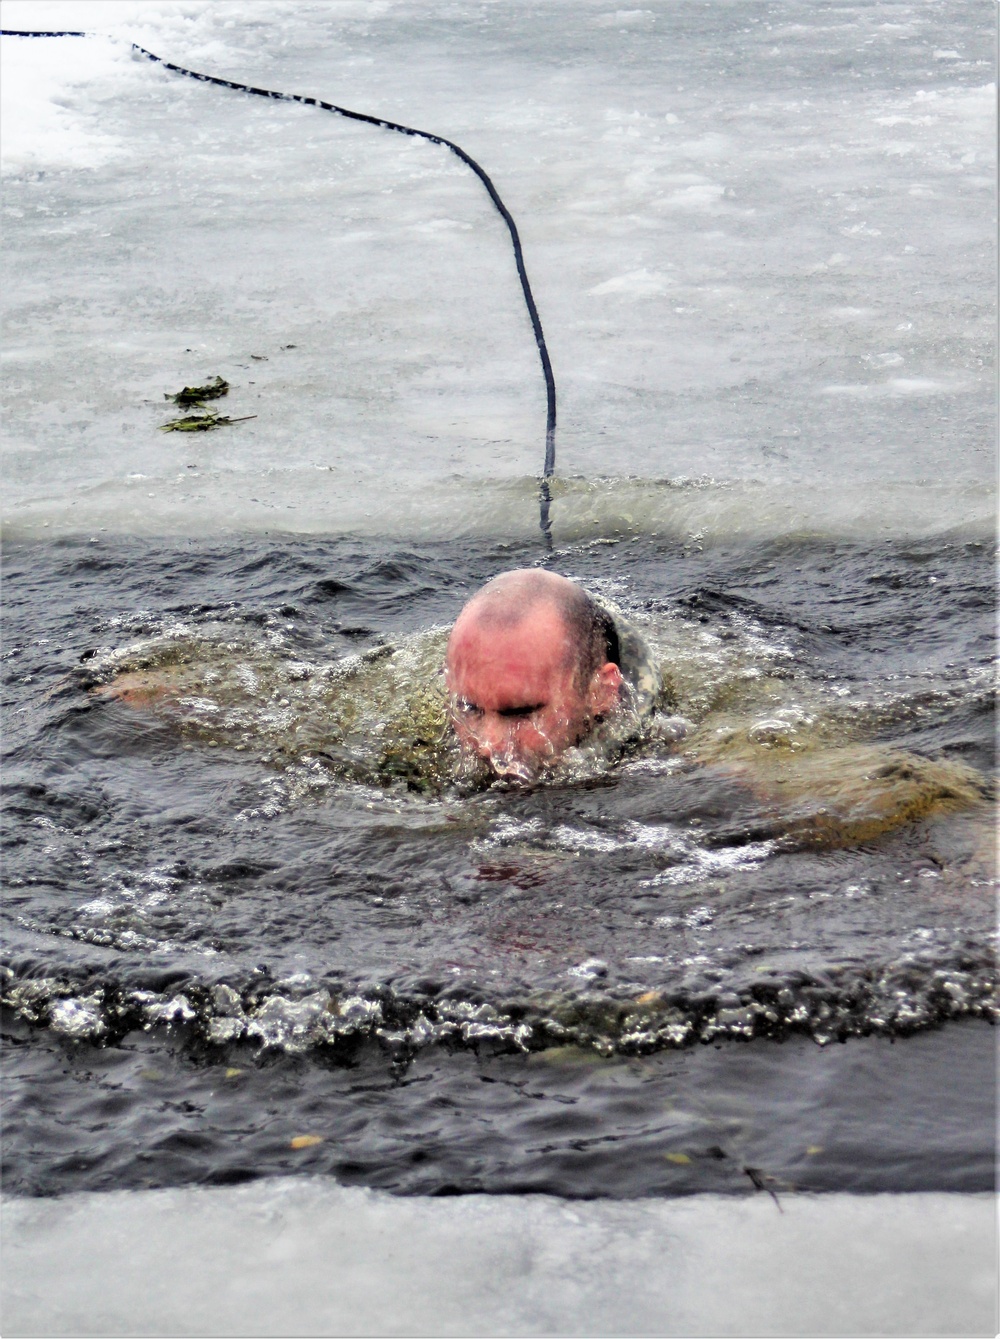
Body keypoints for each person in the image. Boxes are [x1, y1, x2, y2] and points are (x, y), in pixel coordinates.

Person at [444, 569, 652, 780]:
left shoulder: (668, 759)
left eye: (520, 713)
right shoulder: (419, 744)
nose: (487, 745)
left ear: (602, 691)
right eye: (469, 708)